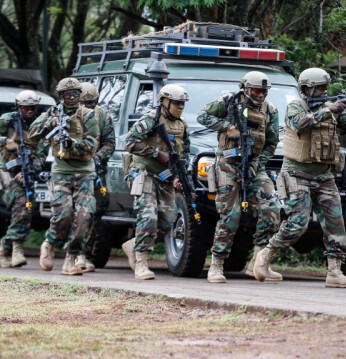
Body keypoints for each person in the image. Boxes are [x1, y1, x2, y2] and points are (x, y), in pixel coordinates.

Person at [252, 67, 346, 288]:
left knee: (336, 223)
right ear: (306, 89)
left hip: (324, 175)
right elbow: (300, 124)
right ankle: (265, 255)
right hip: (296, 174)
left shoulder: (329, 109)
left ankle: (334, 272)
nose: (324, 92)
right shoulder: (295, 106)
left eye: (325, 88)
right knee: (297, 224)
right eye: (320, 88)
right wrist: (330, 109)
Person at [196, 71, 281, 283]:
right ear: (245, 88)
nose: (261, 95)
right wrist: (227, 126)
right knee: (230, 216)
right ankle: (216, 265)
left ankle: (258, 263)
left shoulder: (270, 110)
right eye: (256, 90)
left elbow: (271, 143)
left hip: (253, 165)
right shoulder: (229, 101)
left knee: (272, 209)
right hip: (227, 164)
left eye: (264, 91)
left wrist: (256, 165)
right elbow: (202, 116)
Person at [28, 77, 99, 276]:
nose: (71, 98)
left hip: (85, 171)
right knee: (63, 214)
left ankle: (71, 258)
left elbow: (92, 144)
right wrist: (49, 124)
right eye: (67, 95)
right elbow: (31, 134)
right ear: (61, 96)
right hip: (61, 172)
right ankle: (50, 242)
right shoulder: (52, 113)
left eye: (75, 94)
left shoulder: (88, 115)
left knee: (84, 216)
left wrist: (71, 144)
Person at [121, 84, 190, 280]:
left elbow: (183, 154)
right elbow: (130, 142)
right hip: (143, 173)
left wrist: (178, 175)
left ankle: (133, 244)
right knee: (148, 216)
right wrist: (155, 153)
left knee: (168, 222)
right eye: (176, 103)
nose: (180, 106)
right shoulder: (151, 119)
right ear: (165, 101)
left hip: (165, 177)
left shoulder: (182, 126)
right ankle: (141, 262)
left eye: (182, 103)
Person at [0, 90, 46, 268]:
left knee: (25, 208)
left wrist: (29, 169)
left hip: (25, 172)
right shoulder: (7, 120)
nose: (30, 110)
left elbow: (42, 156)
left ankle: (5, 247)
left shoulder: (39, 126)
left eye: (33, 107)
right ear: (19, 107)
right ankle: (15, 248)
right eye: (26, 107)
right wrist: (6, 141)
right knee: (21, 205)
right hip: (4, 169)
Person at [75, 82, 115, 272]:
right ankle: (71, 251)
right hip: (72, 169)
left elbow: (109, 143)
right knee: (73, 211)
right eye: (85, 103)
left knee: (97, 208)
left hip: (96, 170)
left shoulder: (103, 115)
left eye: (92, 103)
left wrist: (98, 156)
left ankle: (85, 252)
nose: (89, 107)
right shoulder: (69, 116)